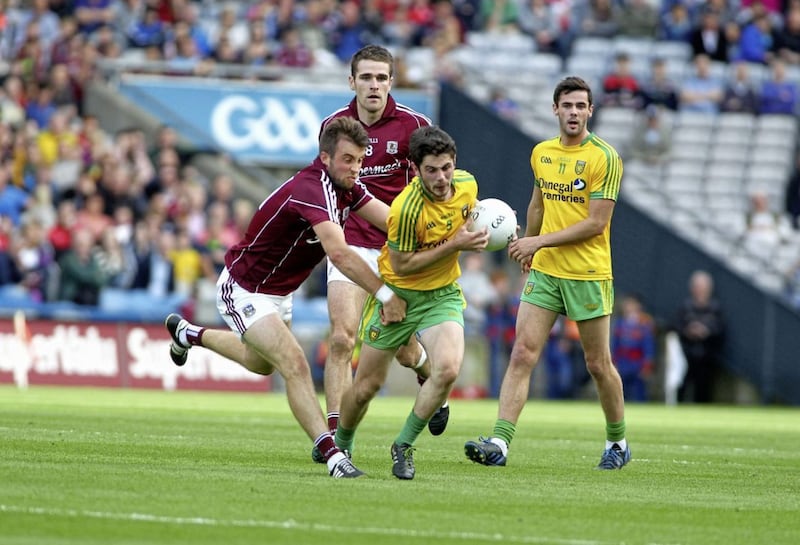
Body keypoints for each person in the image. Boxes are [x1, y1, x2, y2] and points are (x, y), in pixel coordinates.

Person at [163, 117, 407, 479]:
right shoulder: (312, 189)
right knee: (295, 363)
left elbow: (392, 221)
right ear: (325, 158)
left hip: (281, 292)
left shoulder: (346, 187)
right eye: (348, 160)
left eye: (359, 160)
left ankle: (188, 334)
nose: (356, 169)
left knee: (260, 363)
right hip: (245, 288)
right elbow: (339, 254)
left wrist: (444, 231)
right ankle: (333, 456)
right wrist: (385, 294)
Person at [464, 76, 630, 470]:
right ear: (555, 109)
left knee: (597, 364)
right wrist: (529, 247)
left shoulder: (604, 157)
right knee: (522, 352)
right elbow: (537, 204)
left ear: (590, 111)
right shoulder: (541, 152)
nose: (573, 113)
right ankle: (500, 444)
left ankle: (618, 442)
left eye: (580, 106)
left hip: (588, 272)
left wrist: (538, 243)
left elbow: (595, 223)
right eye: (567, 106)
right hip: (547, 272)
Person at [313, 45, 447, 464]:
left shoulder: (414, 125)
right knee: (341, 338)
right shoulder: (333, 126)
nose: (374, 86)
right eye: (366, 78)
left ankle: (425, 368)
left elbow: (437, 185)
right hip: (350, 243)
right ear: (351, 81)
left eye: (382, 78)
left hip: (397, 250)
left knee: (404, 351)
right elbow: (323, 187)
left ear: (392, 81)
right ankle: (335, 436)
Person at [334, 125, 490, 480]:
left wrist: (495, 227)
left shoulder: (467, 184)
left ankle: (403, 446)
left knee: (448, 370)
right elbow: (402, 263)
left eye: (446, 167)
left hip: (442, 294)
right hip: (398, 296)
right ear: (416, 169)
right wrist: (454, 245)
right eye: (431, 170)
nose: (441, 177)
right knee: (366, 387)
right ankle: (340, 443)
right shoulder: (405, 209)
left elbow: (473, 210)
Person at [673, 270, 725, 403]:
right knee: (682, 384)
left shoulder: (715, 308)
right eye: (698, 287)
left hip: (707, 355)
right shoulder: (685, 307)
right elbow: (677, 326)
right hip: (687, 353)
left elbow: (720, 328)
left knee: (704, 387)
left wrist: (706, 331)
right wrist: (689, 331)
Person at [610, 293, 656, 402]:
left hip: (637, 363)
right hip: (623, 362)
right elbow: (615, 344)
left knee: (638, 393)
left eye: (631, 304)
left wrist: (647, 364)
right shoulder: (620, 324)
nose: (627, 306)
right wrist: (613, 362)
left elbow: (648, 345)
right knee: (621, 392)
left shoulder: (644, 323)